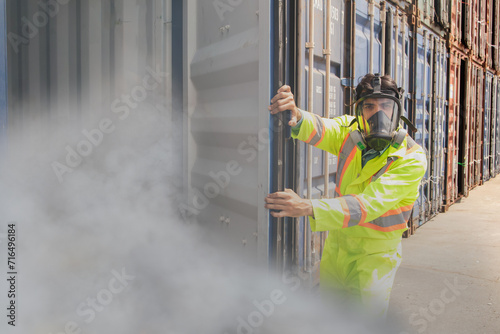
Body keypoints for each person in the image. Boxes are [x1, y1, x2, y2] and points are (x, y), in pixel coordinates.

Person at [264, 73, 427, 318]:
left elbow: (368, 205)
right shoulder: (350, 133)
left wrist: (308, 207)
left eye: (385, 106)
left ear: (397, 110)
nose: (378, 114)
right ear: (359, 111)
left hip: (374, 259)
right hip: (337, 251)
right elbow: (320, 127)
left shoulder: (411, 158)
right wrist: (294, 114)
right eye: (369, 106)